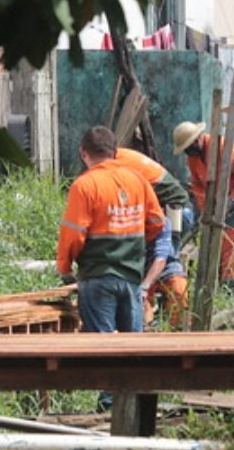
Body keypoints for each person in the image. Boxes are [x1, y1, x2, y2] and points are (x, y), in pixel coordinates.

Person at [56, 125, 165, 334]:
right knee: (132, 347)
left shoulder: (84, 186)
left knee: (100, 348)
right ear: (115, 153)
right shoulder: (138, 180)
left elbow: (73, 234)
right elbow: (157, 222)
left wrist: (64, 268)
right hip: (132, 278)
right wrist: (134, 248)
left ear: (83, 154)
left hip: (97, 278)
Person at [172, 121, 234, 284]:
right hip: (222, 200)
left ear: (199, 138)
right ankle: (223, 281)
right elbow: (198, 186)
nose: (189, 151)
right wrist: (205, 210)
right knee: (220, 241)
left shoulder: (222, 148)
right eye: (186, 149)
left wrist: (231, 201)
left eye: (190, 146)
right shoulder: (193, 158)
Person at [115, 147, 188, 247]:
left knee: (166, 244)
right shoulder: (123, 155)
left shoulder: (118, 164)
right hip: (169, 197)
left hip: (172, 202)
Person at [141, 217, 188, 329]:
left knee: (179, 290)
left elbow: (161, 259)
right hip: (138, 270)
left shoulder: (161, 221)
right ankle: (147, 329)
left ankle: (175, 330)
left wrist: (145, 286)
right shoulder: (128, 219)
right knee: (142, 307)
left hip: (167, 266)